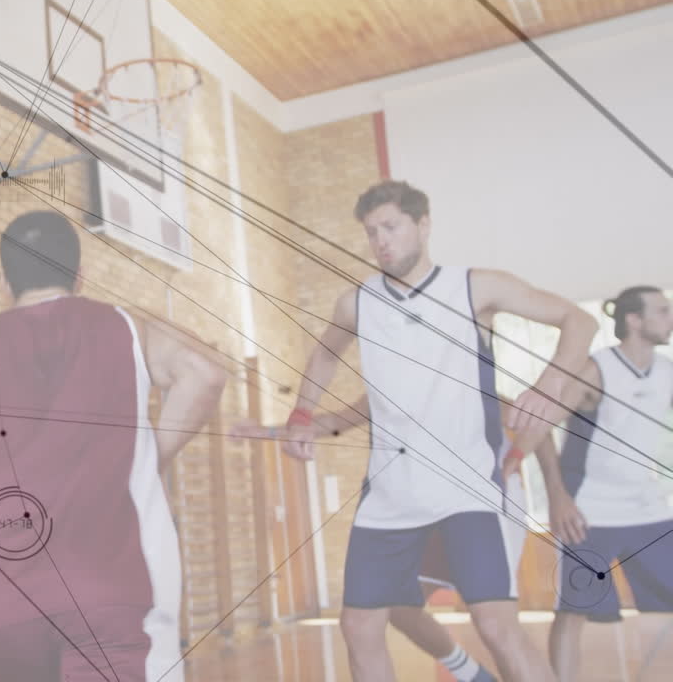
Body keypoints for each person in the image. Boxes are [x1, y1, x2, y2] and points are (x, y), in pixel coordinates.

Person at [255, 180, 597, 682]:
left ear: (423, 224)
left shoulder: (475, 286)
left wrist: (547, 387)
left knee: (496, 626)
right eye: (371, 233)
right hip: (389, 498)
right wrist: (303, 416)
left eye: (390, 227)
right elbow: (326, 353)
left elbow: (578, 321)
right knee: (359, 626)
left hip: (468, 492)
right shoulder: (357, 303)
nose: (381, 241)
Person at [0, 210, 228, 681]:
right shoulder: (126, 327)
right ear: (79, 274)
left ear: (4, 282)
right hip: (109, 587)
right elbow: (205, 373)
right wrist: (145, 460)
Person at [237, 391, 586, 682]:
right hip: (423, 506)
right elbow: (334, 422)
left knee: (497, 626)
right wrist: (268, 431)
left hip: (486, 504)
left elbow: (539, 426)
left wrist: (555, 491)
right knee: (399, 607)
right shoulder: (391, 387)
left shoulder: (475, 388)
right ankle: (472, 674)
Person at [548, 286, 673, 682]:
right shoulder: (595, 370)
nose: (671, 317)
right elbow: (538, 429)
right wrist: (558, 498)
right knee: (573, 612)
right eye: (663, 311)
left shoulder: (667, 370)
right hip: (589, 511)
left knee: (665, 604)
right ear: (634, 320)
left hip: (648, 509)